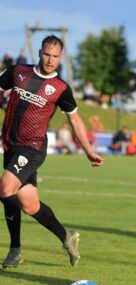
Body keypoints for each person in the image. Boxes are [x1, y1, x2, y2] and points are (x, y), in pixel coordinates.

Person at [0, 35, 104, 268]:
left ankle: (15, 250)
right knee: (29, 204)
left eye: (55, 56)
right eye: (47, 54)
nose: (50, 60)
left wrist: (88, 150)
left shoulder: (60, 88)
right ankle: (67, 236)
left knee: (5, 189)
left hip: (33, 147)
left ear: (61, 57)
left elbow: (75, 121)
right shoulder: (18, 72)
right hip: (11, 146)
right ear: (39, 52)